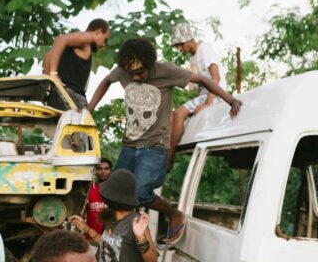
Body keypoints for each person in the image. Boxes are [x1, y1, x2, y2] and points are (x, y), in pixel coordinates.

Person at [86, 38, 242, 243]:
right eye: (131, 74)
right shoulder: (124, 70)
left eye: (140, 73)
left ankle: (173, 214)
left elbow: (203, 80)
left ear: (150, 65)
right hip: (130, 145)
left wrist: (230, 99)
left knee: (140, 192)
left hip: (154, 146)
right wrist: (89, 109)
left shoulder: (166, 71)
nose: (135, 77)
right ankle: (121, 219)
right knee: (110, 189)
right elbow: (106, 81)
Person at [167, 23, 228, 169]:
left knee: (179, 113)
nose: (179, 49)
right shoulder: (192, 59)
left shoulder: (205, 50)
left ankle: (169, 157)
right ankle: (168, 152)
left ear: (188, 40)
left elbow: (216, 78)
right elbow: (193, 88)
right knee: (171, 117)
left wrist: (207, 104)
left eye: (180, 45)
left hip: (215, 94)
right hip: (203, 94)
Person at [44, 18, 111, 109]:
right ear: (98, 32)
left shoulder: (78, 45)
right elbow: (60, 39)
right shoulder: (87, 38)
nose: (103, 44)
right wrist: (53, 74)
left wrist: (48, 81)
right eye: (105, 39)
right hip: (72, 95)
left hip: (59, 93)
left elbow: (48, 55)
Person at [85, 158, 112, 240]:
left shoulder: (115, 190)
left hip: (110, 239)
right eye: (100, 169)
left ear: (111, 171)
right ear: (95, 171)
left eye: (106, 169)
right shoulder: (88, 189)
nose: (103, 171)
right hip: (90, 237)